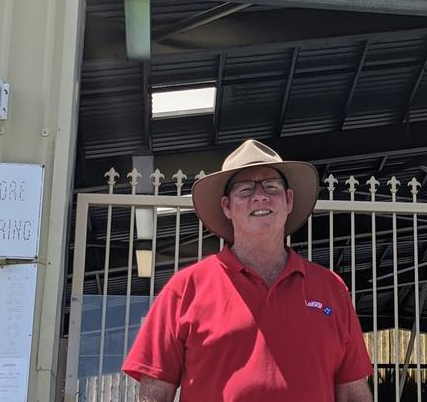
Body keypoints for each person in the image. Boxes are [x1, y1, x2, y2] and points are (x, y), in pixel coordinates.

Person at [122, 140, 373, 402]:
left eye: (271, 186)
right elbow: (154, 393)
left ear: (288, 200)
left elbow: (353, 392)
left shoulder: (331, 288)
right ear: (227, 206)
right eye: (245, 189)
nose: (260, 195)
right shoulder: (184, 289)